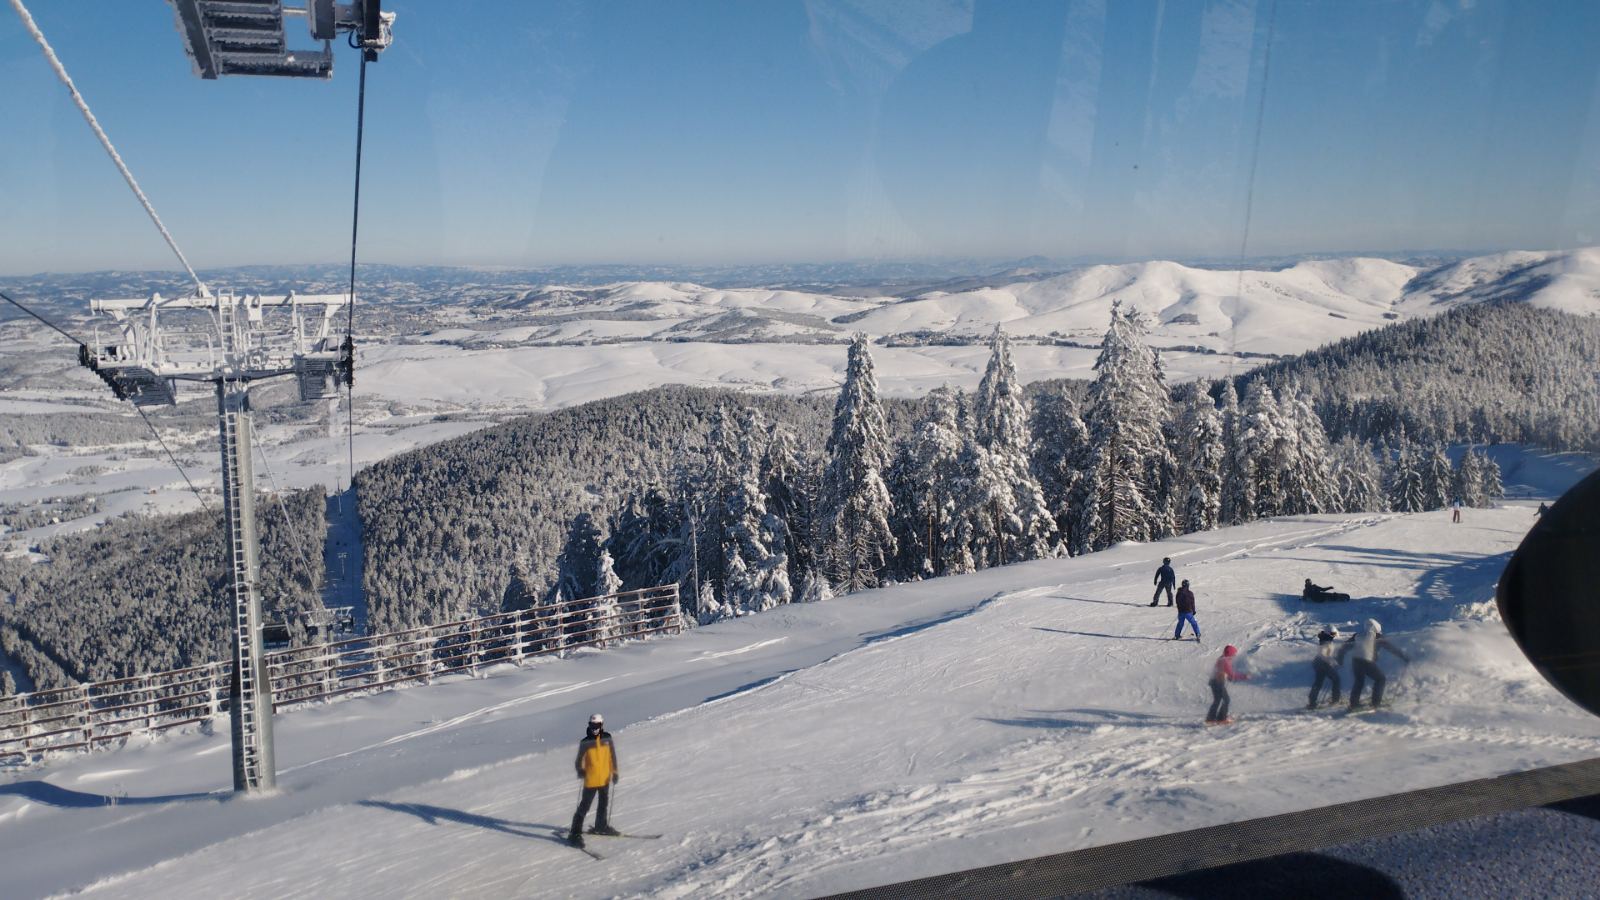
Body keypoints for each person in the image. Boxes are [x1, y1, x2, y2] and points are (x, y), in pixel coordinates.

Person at [568, 713, 620, 846]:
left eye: (597, 725)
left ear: (602, 725)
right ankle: (574, 833)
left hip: (605, 779)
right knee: (584, 807)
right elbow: (578, 760)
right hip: (591, 780)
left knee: (603, 804)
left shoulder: (607, 738)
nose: (594, 728)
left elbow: (612, 756)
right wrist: (580, 770)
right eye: (592, 725)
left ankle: (601, 826)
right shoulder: (585, 742)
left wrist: (614, 772)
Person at [1336, 619, 1410, 710]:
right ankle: (1376, 703)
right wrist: (1404, 657)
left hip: (1355, 661)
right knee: (1380, 679)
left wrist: (1339, 659)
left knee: (1359, 682)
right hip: (1366, 661)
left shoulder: (1358, 635)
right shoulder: (1376, 636)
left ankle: (1354, 704)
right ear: (1376, 628)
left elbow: (1344, 647)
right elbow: (1390, 647)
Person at [1207, 645, 1249, 724]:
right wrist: (1244, 676)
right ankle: (1220, 719)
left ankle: (1212, 718)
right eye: (1234, 654)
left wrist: (1228, 677)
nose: (1234, 656)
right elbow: (1231, 674)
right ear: (1230, 654)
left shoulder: (1221, 658)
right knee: (1226, 700)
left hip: (1214, 682)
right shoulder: (1225, 661)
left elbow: (1222, 671)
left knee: (1218, 700)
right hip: (1217, 682)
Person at [1308, 628, 1343, 709]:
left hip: (1318, 663)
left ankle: (1312, 702)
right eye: (1332, 634)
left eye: (1334, 634)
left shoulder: (1325, 639)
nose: (1333, 636)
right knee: (1336, 679)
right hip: (1323, 663)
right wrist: (1332, 661)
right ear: (1328, 633)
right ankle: (1335, 700)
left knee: (1318, 682)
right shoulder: (1325, 641)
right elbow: (1322, 654)